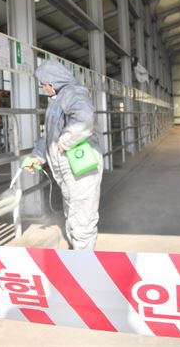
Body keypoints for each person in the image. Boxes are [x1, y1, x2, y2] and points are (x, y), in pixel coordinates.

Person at [23, 60, 103, 250]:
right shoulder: (57, 100)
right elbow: (49, 136)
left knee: (82, 215)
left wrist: (65, 141)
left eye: (45, 85)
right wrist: (37, 156)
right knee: (73, 212)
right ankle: (78, 256)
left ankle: (84, 264)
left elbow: (84, 120)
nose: (44, 89)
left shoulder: (74, 93)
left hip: (80, 167)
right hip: (67, 169)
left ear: (53, 82)